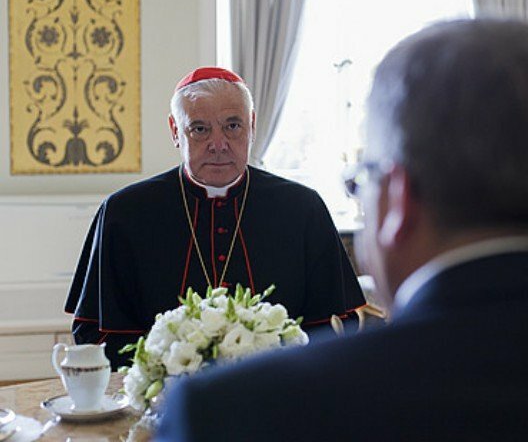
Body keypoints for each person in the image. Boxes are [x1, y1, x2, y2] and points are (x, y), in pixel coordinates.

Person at [156, 19, 528, 441]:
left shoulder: (231, 414)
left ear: (398, 201)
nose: (218, 143)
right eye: (201, 129)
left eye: (363, 181)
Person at [65, 67, 365, 369]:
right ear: (175, 131)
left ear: (252, 125)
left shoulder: (303, 208)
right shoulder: (124, 213)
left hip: (279, 388)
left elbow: (332, 328)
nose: (218, 144)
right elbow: (97, 334)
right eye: (199, 129)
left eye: (232, 126)